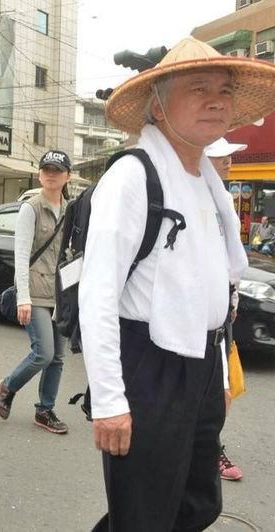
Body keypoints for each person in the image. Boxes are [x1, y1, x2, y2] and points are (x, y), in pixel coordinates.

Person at [79, 37, 275, 531]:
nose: (217, 99)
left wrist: (219, 369)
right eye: (199, 87)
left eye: (225, 89)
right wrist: (108, 402)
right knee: (146, 512)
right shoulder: (132, 177)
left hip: (202, 363)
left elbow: (217, 278)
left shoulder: (207, 182)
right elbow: (97, 294)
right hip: (152, 365)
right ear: (158, 104)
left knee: (197, 503)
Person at [0, 150, 71, 434]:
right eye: (46, 169)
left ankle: (45, 410)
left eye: (57, 170)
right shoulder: (31, 208)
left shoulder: (70, 209)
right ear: (39, 174)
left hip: (60, 294)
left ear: (67, 176)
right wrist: (23, 298)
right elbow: (21, 255)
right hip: (35, 293)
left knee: (58, 358)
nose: (51, 174)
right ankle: (8, 385)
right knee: (44, 353)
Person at [206, 137, 247, 482]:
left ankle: (206, 445)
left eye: (230, 156)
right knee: (215, 388)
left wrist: (233, 299)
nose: (229, 161)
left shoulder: (226, 200)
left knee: (225, 386)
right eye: (222, 157)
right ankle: (208, 448)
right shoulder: (197, 197)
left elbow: (232, 261)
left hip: (222, 308)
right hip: (199, 311)